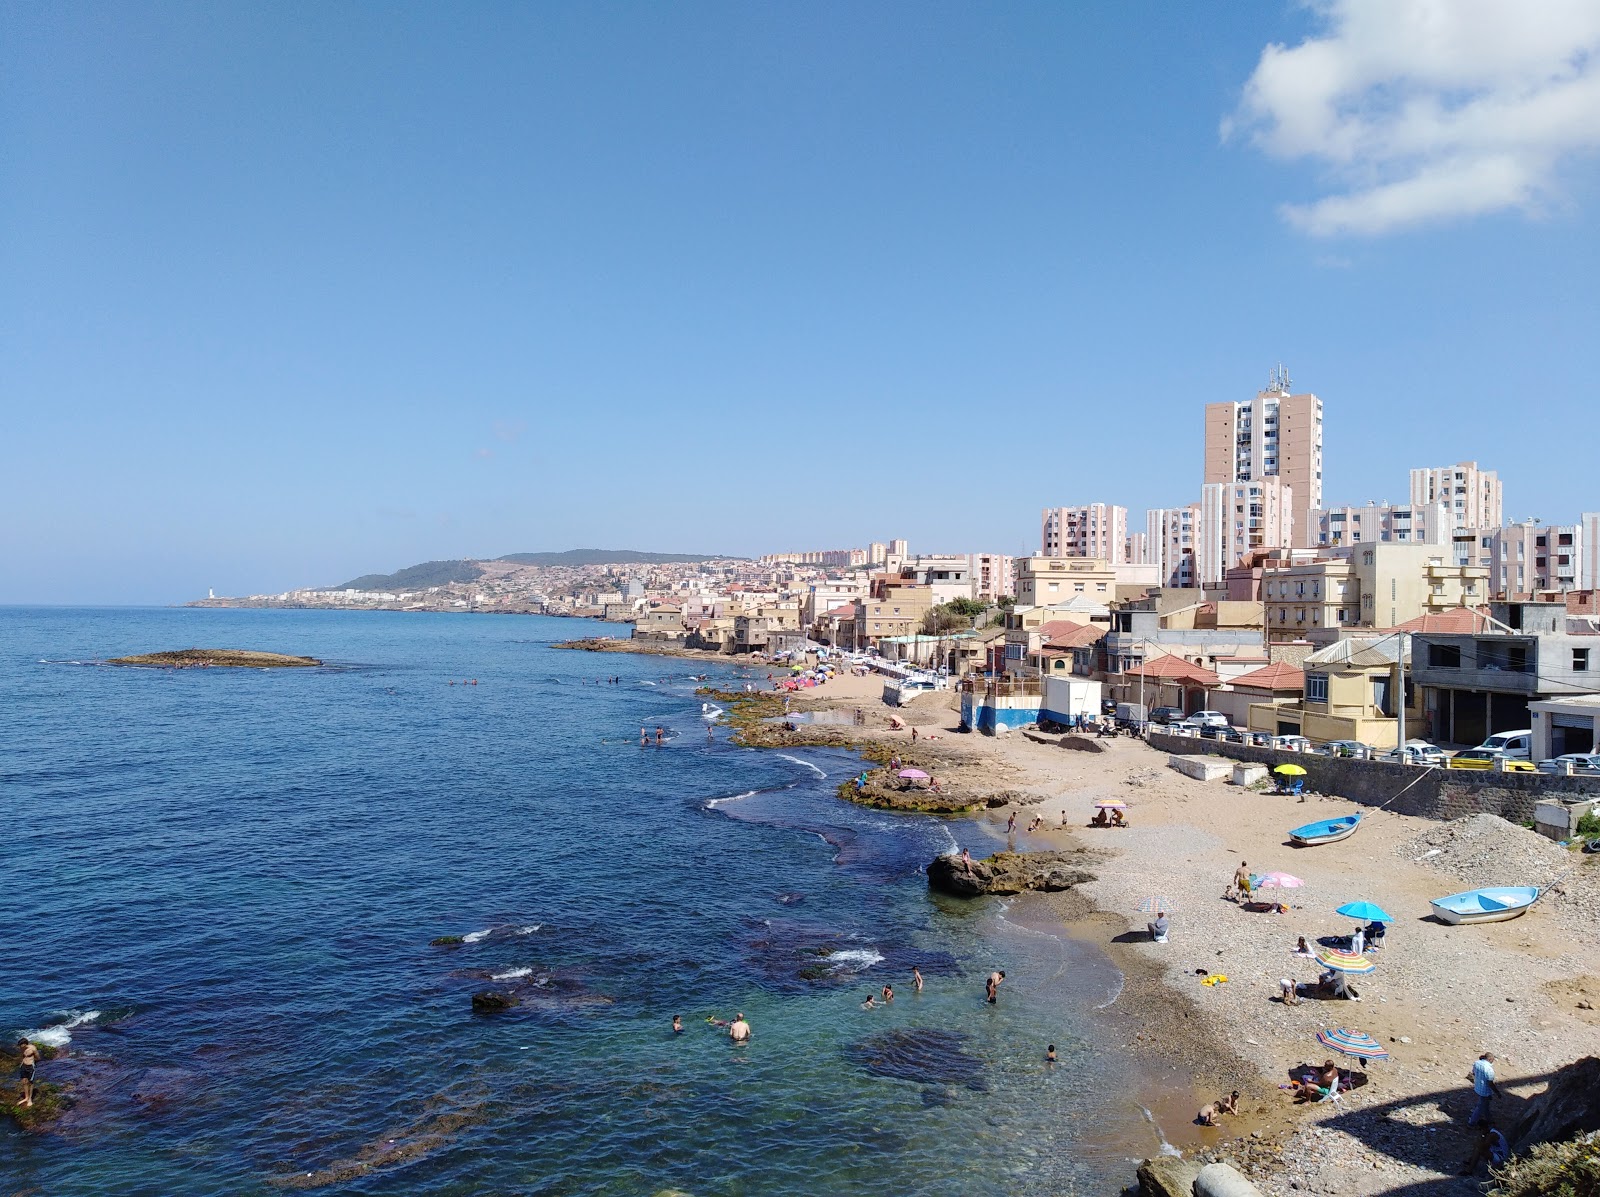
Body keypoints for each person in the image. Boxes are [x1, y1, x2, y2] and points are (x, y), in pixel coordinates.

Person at [1468, 1052, 1500, 1125]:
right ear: (1490, 1059)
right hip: (1485, 1091)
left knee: (1485, 1105)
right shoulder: (1489, 1069)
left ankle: (1489, 1120)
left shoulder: (1476, 1063)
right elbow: (1490, 1083)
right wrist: (1497, 1092)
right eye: (1492, 1059)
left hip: (1478, 1087)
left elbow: (1474, 1073)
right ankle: (1472, 1122)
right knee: (1480, 1107)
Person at [15, 1038, 38, 1109]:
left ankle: (30, 1099)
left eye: (21, 1045)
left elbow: (38, 1057)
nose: (20, 1047)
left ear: (25, 1044)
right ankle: (26, 1097)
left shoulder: (33, 1048)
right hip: (23, 1066)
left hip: (31, 1066)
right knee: (24, 1081)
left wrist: (33, 1063)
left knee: (30, 1082)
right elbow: (22, 1055)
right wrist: (22, 1063)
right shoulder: (22, 1049)